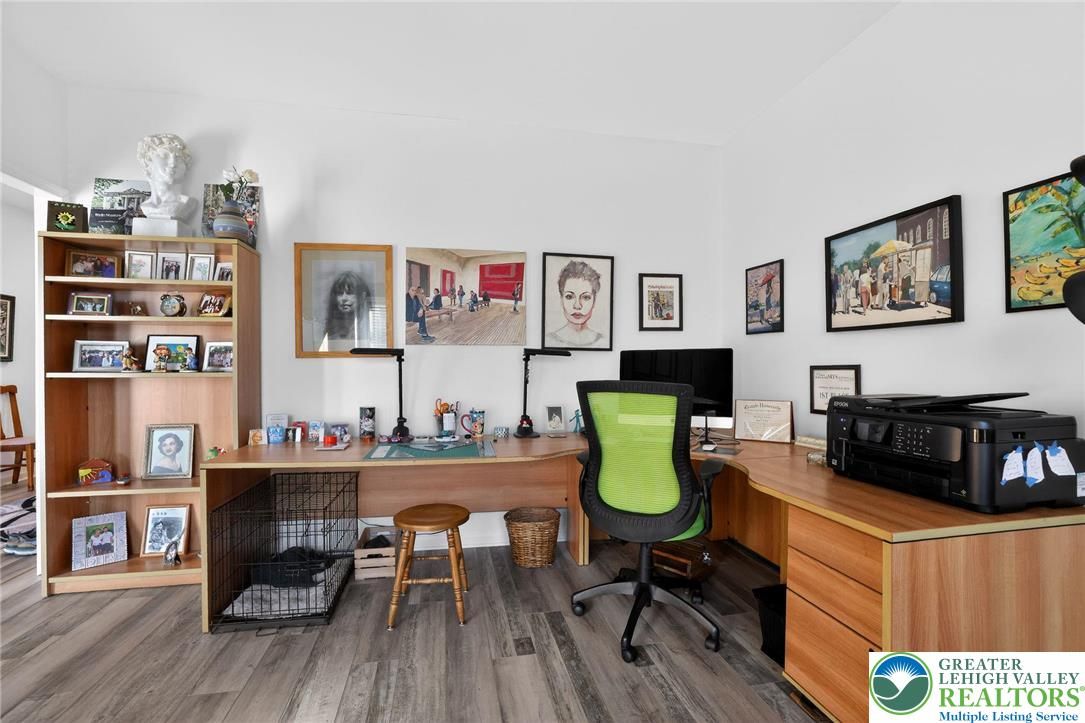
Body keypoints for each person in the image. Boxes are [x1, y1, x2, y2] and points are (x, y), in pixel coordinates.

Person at [545, 260, 604, 347]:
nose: (577, 306)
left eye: (586, 297)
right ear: (561, 300)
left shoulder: (603, 341)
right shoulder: (549, 340)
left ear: (594, 301)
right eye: (569, 297)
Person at [136, 133, 195, 220]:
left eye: (178, 158)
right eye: (164, 156)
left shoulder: (187, 204)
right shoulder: (146, 206)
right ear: (148, 163)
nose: (173, 163)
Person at [323, 270, 370, 344]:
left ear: (362, 296)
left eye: (350, 293)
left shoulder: (369, 328)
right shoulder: (329, 329)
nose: (344, 298)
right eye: (340, 293)